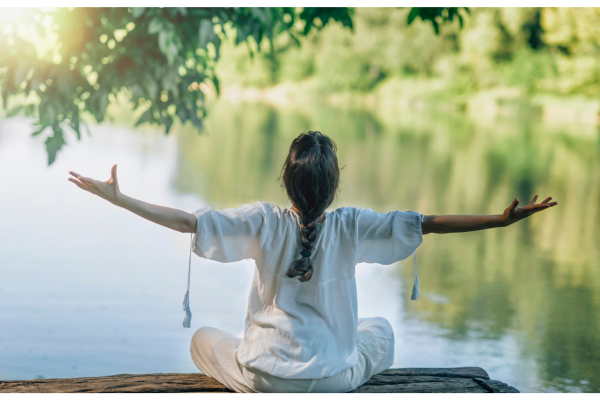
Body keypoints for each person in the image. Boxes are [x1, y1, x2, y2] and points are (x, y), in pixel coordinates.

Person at [68, 131, 557, 393]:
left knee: (202, 340)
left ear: (286, 179)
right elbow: (428, 222)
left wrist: (121, 199)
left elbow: (186, 222)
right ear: (333, 184)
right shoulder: (353, 225)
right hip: (332, 381)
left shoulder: (262, 221)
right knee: (381, 330)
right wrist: (498, 220)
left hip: (265, 379)